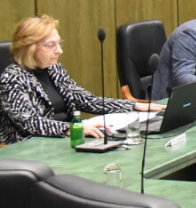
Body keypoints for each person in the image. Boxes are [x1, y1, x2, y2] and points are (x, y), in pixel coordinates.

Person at [0, 15, 162, 144]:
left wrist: (133, 105)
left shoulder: (54, 69)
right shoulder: (13, 79)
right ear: (29, 48)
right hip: (30, 148)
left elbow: (86, 100)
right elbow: (30, 123)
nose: (59, 51)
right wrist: (73, 128)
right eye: (51, 45)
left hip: (65, 141)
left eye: (59, 43)